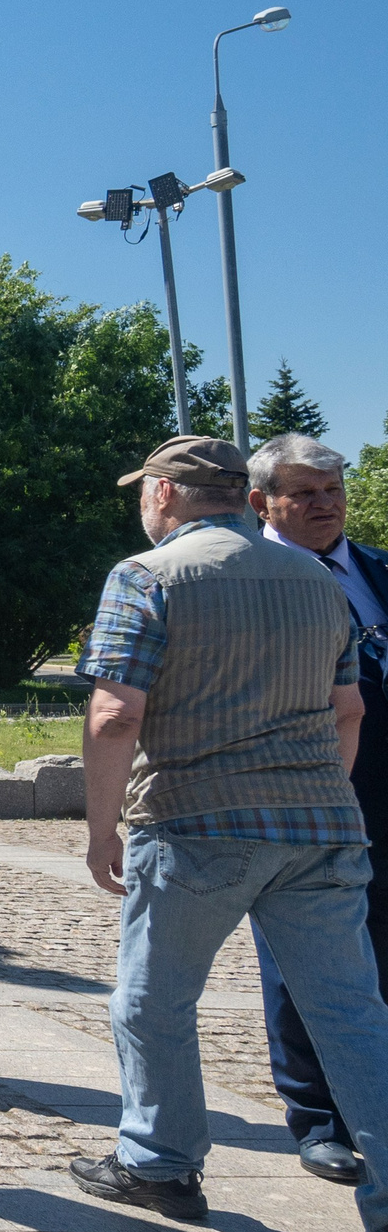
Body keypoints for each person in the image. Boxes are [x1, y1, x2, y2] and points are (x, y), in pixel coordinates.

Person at [70, 435, 388, 1228]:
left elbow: (114, 715)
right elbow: (349, 712)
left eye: (143, 488)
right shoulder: (321, 579)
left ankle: (159, 1162)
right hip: (321, 826)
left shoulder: (146, 576)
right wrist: (312, 797)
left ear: (169, 493)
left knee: (154, 1002)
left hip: (193, 822)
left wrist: (100, 827)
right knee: (352, 1014)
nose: (142, 502)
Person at [245, 433, 388, 1185]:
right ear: (260, 501)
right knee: (302, 962)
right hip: (298, 799)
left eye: (333, 490)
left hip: (381, 796)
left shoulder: (375, 568)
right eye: (305, 492)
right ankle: (319, 1118)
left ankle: (378, 1109)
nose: (325, 504)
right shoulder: (246, 577)